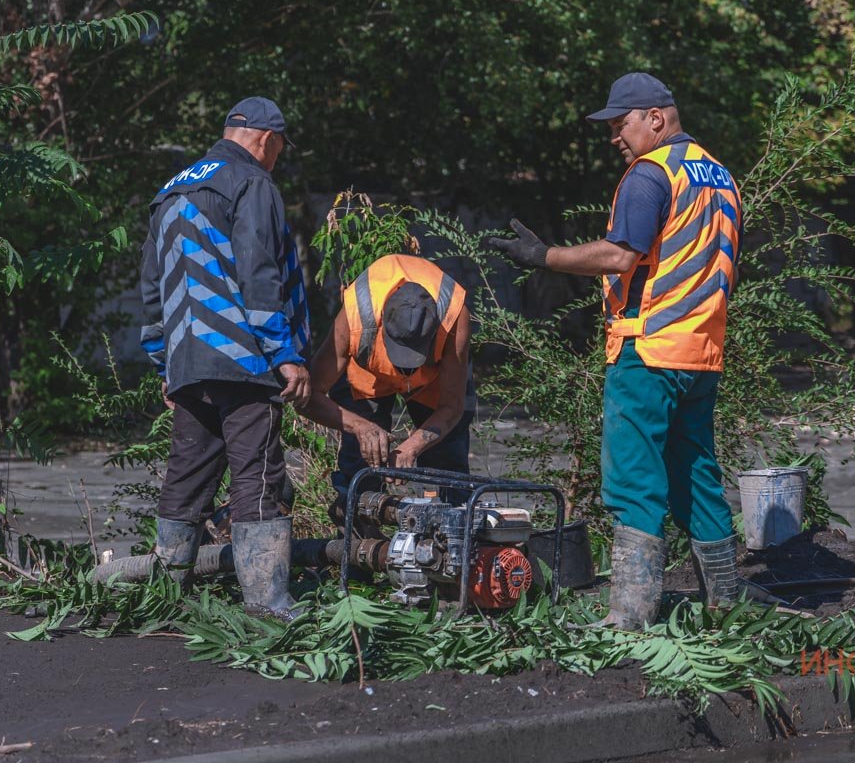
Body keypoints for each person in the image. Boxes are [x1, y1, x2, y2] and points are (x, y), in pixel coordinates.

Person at [487, 72, 773, 628]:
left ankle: (632, 614)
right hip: (701, 352)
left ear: (656, 119)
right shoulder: (718, 174)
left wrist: (543, 256)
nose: (614, 137)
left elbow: (621, 256)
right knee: (693, 471)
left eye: (622, 124)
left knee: (633, 478)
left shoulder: (650, 173)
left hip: (648, 350)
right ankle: (724, 598)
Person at [139, 96, 311, 620]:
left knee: (186, 478)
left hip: (188, 364)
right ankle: (269, 602)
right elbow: (260, 271)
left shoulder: (169, 192)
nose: (277, 157)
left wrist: (163, 363)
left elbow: (152, 288)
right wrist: (284, 353)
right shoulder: (251, 182)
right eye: (279, 147)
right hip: (243, 359)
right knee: (257, 475)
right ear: (266, 139)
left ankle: (163, 601)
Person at [301, 254, 474, 506]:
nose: (404, 367)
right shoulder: (355, 316)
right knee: (362, 461)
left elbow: (452, 406)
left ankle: (453, 527)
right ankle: (360, 524)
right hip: (368, 374)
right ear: (381, 324)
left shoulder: (455, 318)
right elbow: (309, 397)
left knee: (449, 465)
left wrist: (411, 446)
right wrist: (361, 427)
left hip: (432, 381)